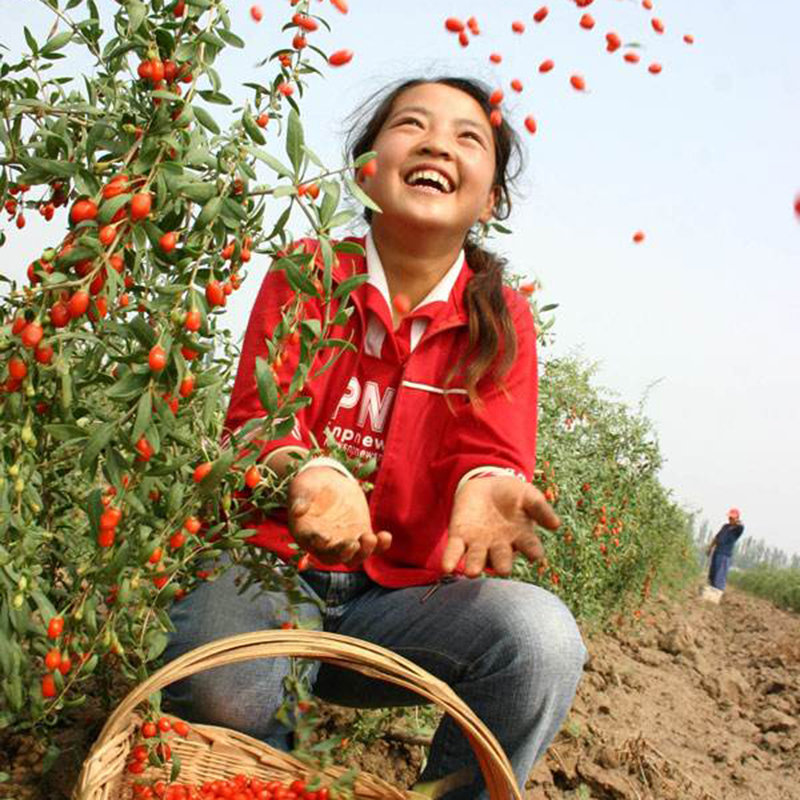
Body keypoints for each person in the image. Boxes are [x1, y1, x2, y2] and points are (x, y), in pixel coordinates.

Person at [162, 77, 586, 800]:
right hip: (270, 576)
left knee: (541, 642)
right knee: (229, 695)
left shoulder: (502, 317)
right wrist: (310, 474)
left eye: (467, 137)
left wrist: (485, 484)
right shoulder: (310, 273)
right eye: (411, 125)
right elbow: (261, 422)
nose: (435, 144)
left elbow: (491, 450)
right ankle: (264, 781)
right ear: (364, 166)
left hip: (404, 611)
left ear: (490, 202)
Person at [706, 508, 745, 592]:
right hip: (717, 552)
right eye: (729, 517)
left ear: (737, 518)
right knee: (712, 573)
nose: (730, 519)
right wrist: (710, 547)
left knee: (720, 576)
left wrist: (737, 522)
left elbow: (741, 526)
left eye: (732, 518)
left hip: (725, 555)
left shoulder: (737, 529)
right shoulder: (725, 526)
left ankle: (717, 593)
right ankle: (710, 592)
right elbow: (717, 537)